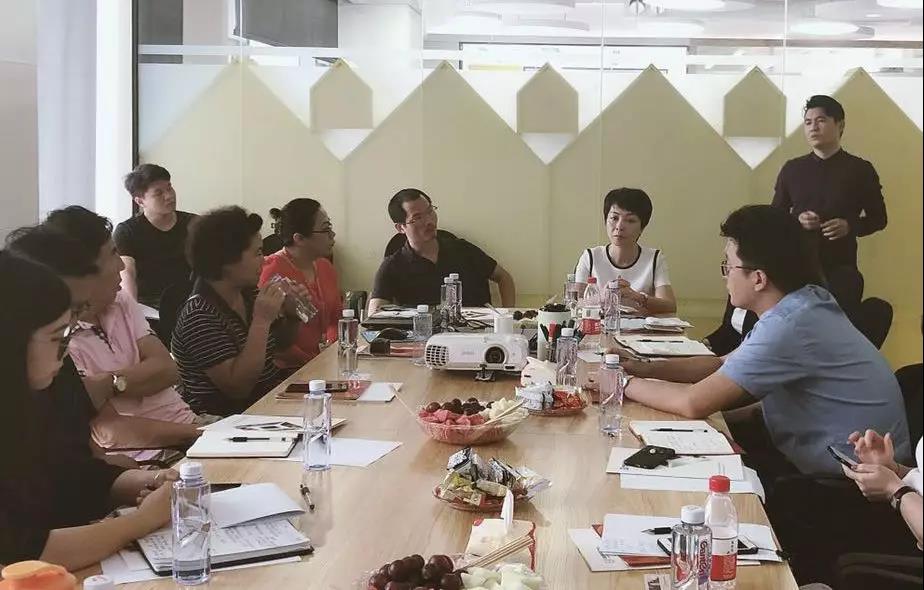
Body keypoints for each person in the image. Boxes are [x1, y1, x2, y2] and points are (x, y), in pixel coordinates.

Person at [617, 205, 910, 480]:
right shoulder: (805, 302)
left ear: (758, 278)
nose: (725, 277)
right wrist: (640, 367)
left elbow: (692, 402)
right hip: (832, 461)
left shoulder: (789, 324)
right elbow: (719, 364)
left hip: (851, 482)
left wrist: (621, 382)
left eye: (728, 266)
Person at [0, 251, 174, 571]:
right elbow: (25, 551)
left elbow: (69, 473)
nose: (64, 353)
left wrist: (142, 481)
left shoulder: (30, 395)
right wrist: (141, 521)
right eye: (57, 338)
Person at [6, 221, 200, 464]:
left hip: (183, 433)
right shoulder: (58, 355)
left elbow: (169, 370)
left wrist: (109, 383)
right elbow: (108, 432)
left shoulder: (118, 302)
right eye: (112, 253)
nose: (122, 265)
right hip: (157, 451)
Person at [172, 206, 301, 416]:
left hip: (270, 402)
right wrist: (261, 320)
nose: (264, 259)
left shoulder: (248, 293)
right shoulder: (199, 315)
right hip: (229, 419)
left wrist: (293, 316)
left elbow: (280, 345)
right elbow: (239, 388)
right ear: (227, 261)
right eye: (257, 253)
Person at [772, 95, 886, 272]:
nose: (813, 127)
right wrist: (797, 220)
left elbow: (879, 218)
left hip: (841, 266)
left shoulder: (860, 169)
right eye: (808, 122)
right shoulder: (792, 169)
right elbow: (775, 217)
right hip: (796, 266)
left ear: (840, 125)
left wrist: (849, 226)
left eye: (821, 121)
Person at [368, 188, 516, 315]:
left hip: (478, 332)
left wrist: (506, 317)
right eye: (417, 218)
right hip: (424, 335)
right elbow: (374, 313)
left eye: (430, 211)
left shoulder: (463, 249)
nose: (429, 221)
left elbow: (504, 278)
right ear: (401, 227)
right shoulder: (393, 265)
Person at [260, 198, 342, 367]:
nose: (332, 235)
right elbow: (269, 338)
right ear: (299, 239)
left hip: (322, 364)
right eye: (326, 229)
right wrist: (313, 362)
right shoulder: (271, 271)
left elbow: (336, 320)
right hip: (287, 370)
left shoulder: (325, 267)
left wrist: (332, 351)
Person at [573, 188, 676, 314]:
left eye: (630, 220)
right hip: (599, 325)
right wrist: (604, 296)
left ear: (642, 227)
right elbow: (574, 304)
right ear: (606, 221)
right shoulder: (590, 256)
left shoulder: (654, 258)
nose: (619, 226)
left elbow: (669, 306)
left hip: (642, 326)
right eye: (614, 218)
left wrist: (636, 297)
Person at [114, 164, 196, 309]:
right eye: (158, 193)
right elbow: (127, 273)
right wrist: (133, 311)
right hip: (149, 305)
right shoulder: (127, 231)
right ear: (140, 201)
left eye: (169, 188)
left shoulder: (194, 224)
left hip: (191, 303)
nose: (169, 196)